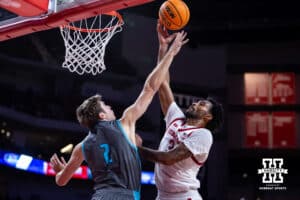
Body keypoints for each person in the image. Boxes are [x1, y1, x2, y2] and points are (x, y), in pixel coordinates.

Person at [49, 23, 189, 200]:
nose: (110, 107)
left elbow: (61, 181)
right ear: (101, 116)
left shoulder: (81, 147)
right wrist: (169, 51)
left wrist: (59, 172)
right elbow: (151, 87)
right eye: (106, 107)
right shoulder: (125, 121)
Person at [138, 23, 224, 200]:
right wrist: (163, 47)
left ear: (207, 116)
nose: (194, 104)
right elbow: (162, 84)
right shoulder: (177, 119)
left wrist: (137, 149)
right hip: (163, 195)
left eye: (201, 105)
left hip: (184, 197)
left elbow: (169, 158)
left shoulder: (203, 135)